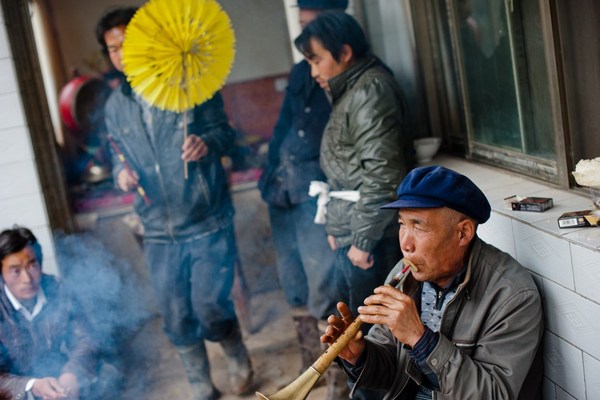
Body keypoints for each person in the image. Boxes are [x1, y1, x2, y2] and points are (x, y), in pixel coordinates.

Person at [96, 8, 253, 399]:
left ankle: (236, 355)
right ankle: (200, 383)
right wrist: (120, 174)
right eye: (112, 49)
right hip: (156, 227)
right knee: (176, 315)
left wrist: (207, 144)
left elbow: (225, 134)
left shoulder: (189, 84)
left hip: (206, 220)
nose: (119, 54)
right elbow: (117, 154)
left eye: (126, 45)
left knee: (210, 308)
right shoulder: (116, 106)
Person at [322, 165, 545, 399]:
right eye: (402, 224)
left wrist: (419, 338)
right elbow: (389, 370)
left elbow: (493, 394)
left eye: (419, 226)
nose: (405, 244)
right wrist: (359, 357)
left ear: (463, 233)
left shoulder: (512, 295)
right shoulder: (404, 273)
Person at [295, 11, 413, 328]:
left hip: (374, 241)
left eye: (316, 60)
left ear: (345, 53)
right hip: (358, 234)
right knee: (361, 336)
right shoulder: (352, 90)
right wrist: (340, 229)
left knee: (373, 340)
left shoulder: (369, 91)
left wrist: (361, 240)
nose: (312, 71)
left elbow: (383, 175)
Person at [258, 0, 347, 374]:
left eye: (313, 26)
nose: (305, 37)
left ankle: (335, 374)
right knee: (292, 281)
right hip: (282, 191)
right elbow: (282, 129)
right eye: (302, 26)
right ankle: (309, 366)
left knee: (324, 286)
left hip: (318, 197)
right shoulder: (300, 72)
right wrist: (269, 171)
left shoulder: (348, 74)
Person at [0, 227, 97, 400]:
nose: (27, 279)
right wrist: (31, 385)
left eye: (32, 265)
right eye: (15, 270)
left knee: (108, 374)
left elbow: (85, 340)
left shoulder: (59, 289)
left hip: (56, 380)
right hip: (14, 392)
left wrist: (71, 375)